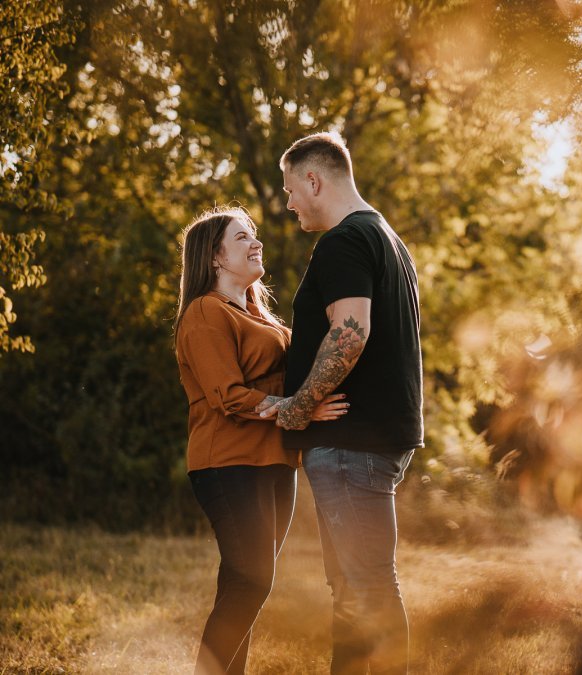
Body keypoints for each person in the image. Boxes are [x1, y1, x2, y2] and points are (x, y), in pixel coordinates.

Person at [260, 131, 424, 674]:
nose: (287, 203)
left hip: (352, 443)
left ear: (314, 180)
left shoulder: (344, 240)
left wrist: (299, 405)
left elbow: (350, 332)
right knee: (354, 587)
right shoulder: (388, 239)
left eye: (289, 190)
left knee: (367, 584)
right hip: (372, 440)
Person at [174, 206, 349, 675]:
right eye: (242, 237)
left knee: (243, 584)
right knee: (252, 581)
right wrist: (301, 409)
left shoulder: (260, 315)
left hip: (275, 462)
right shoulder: (206, 312)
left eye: (254, 235)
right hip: (227, 462)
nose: (257, 243)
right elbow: (229, 396)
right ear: (214, 256)